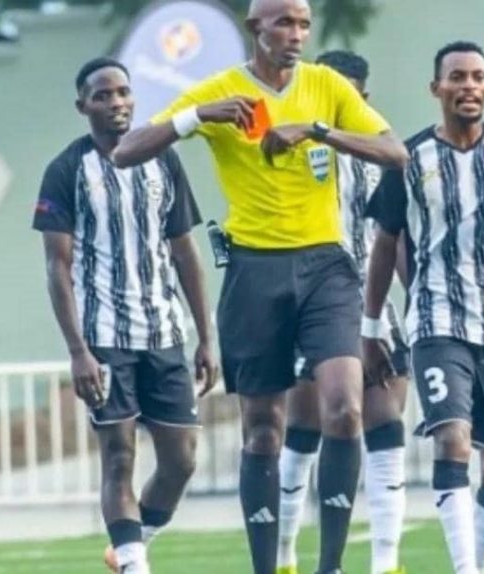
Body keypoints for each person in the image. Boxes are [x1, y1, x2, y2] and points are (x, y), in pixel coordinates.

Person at [113, 0, 408, 570]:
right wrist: (200, 116)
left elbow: (395, 152)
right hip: (254, 270)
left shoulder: (325, 85)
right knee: (264, 431)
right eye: (284, 23)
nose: (296, 34)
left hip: (327, 266)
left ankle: (330, 566)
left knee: (344, 409)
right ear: (256, 28)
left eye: (303, 24)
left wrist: (317, 131)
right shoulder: (222, 90)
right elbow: (127, 151)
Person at [364, 41, 484, 574]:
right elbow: (386, 243)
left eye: (477, 77)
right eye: (456, 77)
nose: (468, 86)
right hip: (437, 320)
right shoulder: (409, 159)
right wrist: (371, 325)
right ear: (436, 88)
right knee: (452, 440)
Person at [34, 57, 217, 574]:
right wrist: (78, 351)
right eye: (103, 95)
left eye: (123, 92)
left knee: (182, 459)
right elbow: (57, 266)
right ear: (82, 106)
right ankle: (136, 565)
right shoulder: (67, 170)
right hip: (104, 338)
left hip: (164, 333)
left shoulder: (163, 160)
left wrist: (206, 337)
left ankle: (132, 547)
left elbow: (185, 252)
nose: (116, 103)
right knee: (119, 457)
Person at [277, 50, 410, 574]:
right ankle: (286, 555)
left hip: (372, 302)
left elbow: (396, 237)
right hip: (309, 305)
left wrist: (415, 300)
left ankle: (386, 562)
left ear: (363, 98)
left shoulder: (385, 159)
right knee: (305, 424)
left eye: (348, 95)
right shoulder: (295, 150)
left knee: (384, 420)